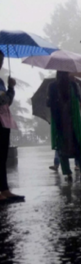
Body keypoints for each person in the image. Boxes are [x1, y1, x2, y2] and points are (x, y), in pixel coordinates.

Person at [48, 71, 81, 181]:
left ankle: (68, 175)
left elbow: (48, 103)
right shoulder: (73, 85)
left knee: (62, 146)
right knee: (79, 145)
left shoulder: (52, 86)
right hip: (74, 123)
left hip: (60, 123)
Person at [0, 50, 23, 204]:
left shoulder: (0, 81)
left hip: (3, 120)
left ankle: (4, 189)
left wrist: (10, 88)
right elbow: (2, 101)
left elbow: (7, 101)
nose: (0, 63)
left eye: (1, 60)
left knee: (2, 157)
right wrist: (10, 89)